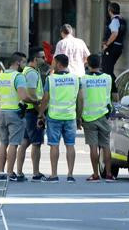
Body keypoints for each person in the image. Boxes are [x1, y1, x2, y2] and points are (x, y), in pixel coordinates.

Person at [39, 54, 79, 183]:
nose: (52, 64)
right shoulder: (75, 79)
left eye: (53, 62)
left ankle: (54, 175)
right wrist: (79, 115)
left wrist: (40, 113)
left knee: (54, 145)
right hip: (70, 116)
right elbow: (80, 98)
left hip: (54, 116)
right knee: (70, 145)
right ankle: (70, 175)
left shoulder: (51, 79)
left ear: (59, 64)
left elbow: (45, 98)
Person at [77, 54, 117, 182]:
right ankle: (109, 174)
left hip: (88, 116)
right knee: (106, 146)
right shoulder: (108, 78)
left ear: (87, 64)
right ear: (100, 64)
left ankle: (95, 174)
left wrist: (79, 116)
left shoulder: (82, 79)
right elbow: (112, 95)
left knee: (93, 147)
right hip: (104, 115)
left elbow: (81, 99)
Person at [0, 52, 30, 181]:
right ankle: (10, 173)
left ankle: (1, 172)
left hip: (3, 112)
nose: (25, 65)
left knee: (3, 143)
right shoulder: (18, 77)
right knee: (14, 144)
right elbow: (23, 96)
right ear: (18, 62)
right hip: (15, 113)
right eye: (23, 62)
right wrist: (35, 101)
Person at [15, 48, 48, 182]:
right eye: (42, 57)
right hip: (32, 111)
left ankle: (19, 172)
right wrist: (40, 112)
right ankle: (35, 173)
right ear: (35, 59)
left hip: (27, 111)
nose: (45, 59)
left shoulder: (29, 71)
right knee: (36, 143)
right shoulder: (32, 73)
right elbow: (32, 94)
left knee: (25, 142)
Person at [101, 2, 126, 90]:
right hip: (118, 48)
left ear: (110, 11)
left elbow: (115, 33)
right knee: (108, 70)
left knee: (106, 70)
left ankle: (117, 89)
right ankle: (115, 89)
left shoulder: (115, 21)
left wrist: (106, 44)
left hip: (112, 48)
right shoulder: (121, 20)